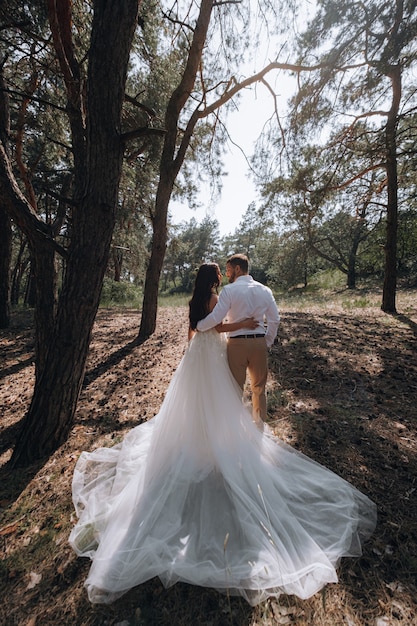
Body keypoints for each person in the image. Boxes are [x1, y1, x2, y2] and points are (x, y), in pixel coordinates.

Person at [69, 262, 377, 607]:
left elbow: (198, 328)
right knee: (225, 399)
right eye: (219, 272)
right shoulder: (221, 295)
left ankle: (208, 439)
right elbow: (209, 327)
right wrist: (246, 326)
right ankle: (226, 440)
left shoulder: (206, 295)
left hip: (202, 356)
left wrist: (209, 340)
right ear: (215, 278)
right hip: (216, 351)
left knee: (206, 402)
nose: (222, 275)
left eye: (225, 270)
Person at [197, 253, 280, 427]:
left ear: (237, 269)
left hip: (236, 345)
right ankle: (259, 426)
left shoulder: (229, 290)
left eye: (228, 270)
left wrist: (199, 326)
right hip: (259, 342)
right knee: (259, 387)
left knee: (235, 388)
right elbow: (274, 320)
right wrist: (267, 342)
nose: (227, 274)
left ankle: (235, 427)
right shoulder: (265, 290)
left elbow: (215, 318)